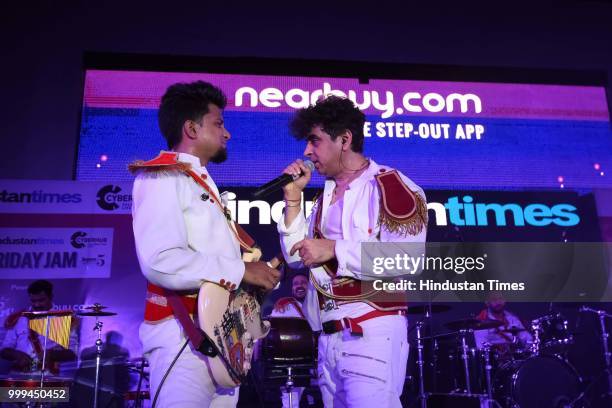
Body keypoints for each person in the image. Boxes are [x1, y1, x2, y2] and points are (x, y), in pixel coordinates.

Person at [130, 80, 280, 408]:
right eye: (219, 123)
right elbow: (161, 261)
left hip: (221, 344)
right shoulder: (162, 176)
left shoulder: (200, 183)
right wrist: (241, 271)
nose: (227, 134)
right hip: (183, 339)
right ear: (192, 129)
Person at [278, 95, 427, 407]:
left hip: (371, 331)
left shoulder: (390, 185)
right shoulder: (323, 198)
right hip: (328, 339)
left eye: (314, 141)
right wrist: (293, 200)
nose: (307, 152)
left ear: (344, 139)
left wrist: (333, 249)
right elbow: (296, 258)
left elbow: (408, 258)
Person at [1, 280, 78, 375]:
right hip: (17, 374)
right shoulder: (18, 318)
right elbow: (4, 350)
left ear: (51, 297)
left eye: (41, 300)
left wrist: (51, 355)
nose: (37, 305)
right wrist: (16, 355)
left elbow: (72, 354)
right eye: (33, 301)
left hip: (47, 375)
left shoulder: (64, 319)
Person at [271, 272, 309, 407]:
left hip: (313, 359)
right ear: (292, 288)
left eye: (303, 283)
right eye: (296, 284)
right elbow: (272, 330)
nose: (299, 286)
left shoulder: (318, 304)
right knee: (291, 400)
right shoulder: (284, 305)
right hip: (289, 361)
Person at [474, 292, 532, 356]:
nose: (498, 302)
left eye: (500, 298)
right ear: (487, 302)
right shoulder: (482, 320)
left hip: (514, 359)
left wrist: (529, 348)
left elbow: (526, 338)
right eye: (494, 299)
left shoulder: (511, 318)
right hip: (495, 361)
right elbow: (481, 347)